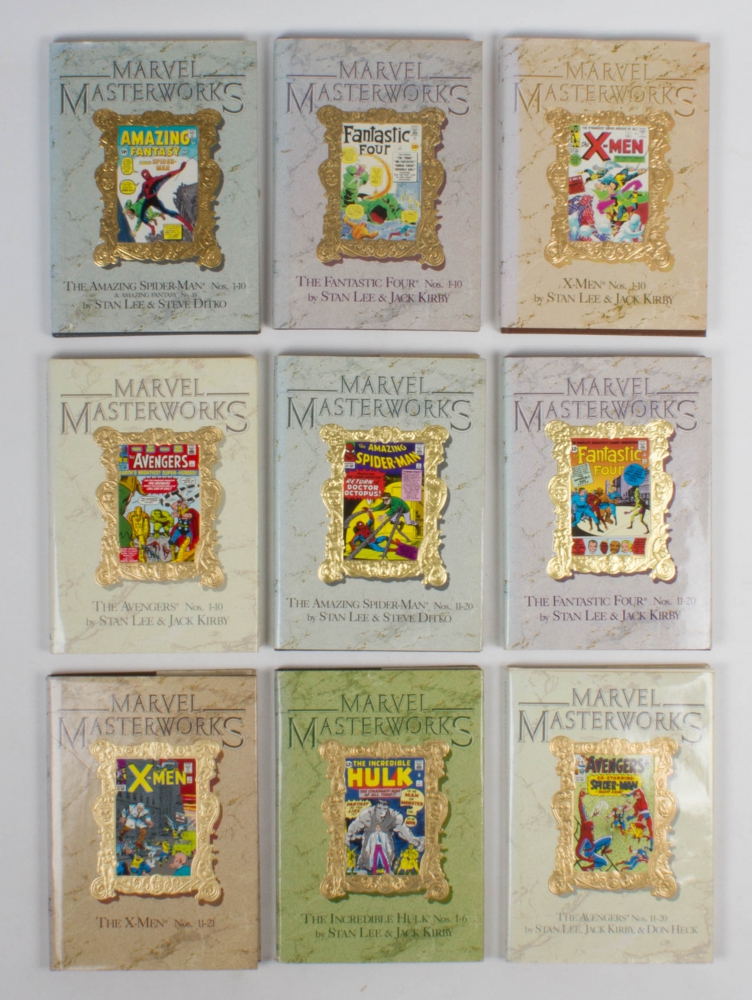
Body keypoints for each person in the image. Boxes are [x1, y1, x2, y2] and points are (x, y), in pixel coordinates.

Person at [347, 800, 424, 874]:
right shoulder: (367, 814)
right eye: (379, 808)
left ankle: (387, 869)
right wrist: (350, 833)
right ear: (376, 808)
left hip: (386, 839)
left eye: (384, 809)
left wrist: (412, 839)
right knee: (366, 854)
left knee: (387, 855)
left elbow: (402, 829)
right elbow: (356, 824)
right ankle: (363, 868)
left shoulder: (394, 816)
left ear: (387, 809)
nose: (382, 811)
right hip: (369, 838)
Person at [135, 162, 193, 233]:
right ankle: (151, 227)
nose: (145, 175)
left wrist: (180, 169)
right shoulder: (144, 184)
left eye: (146, 173)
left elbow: (168, 175)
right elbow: (142, 193)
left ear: (148, 173)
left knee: (165, 211)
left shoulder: (156, 179)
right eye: (143, 175)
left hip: (154, 199)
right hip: (147, 200)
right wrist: (138, 199)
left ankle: (186, 222)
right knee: (141, 217)